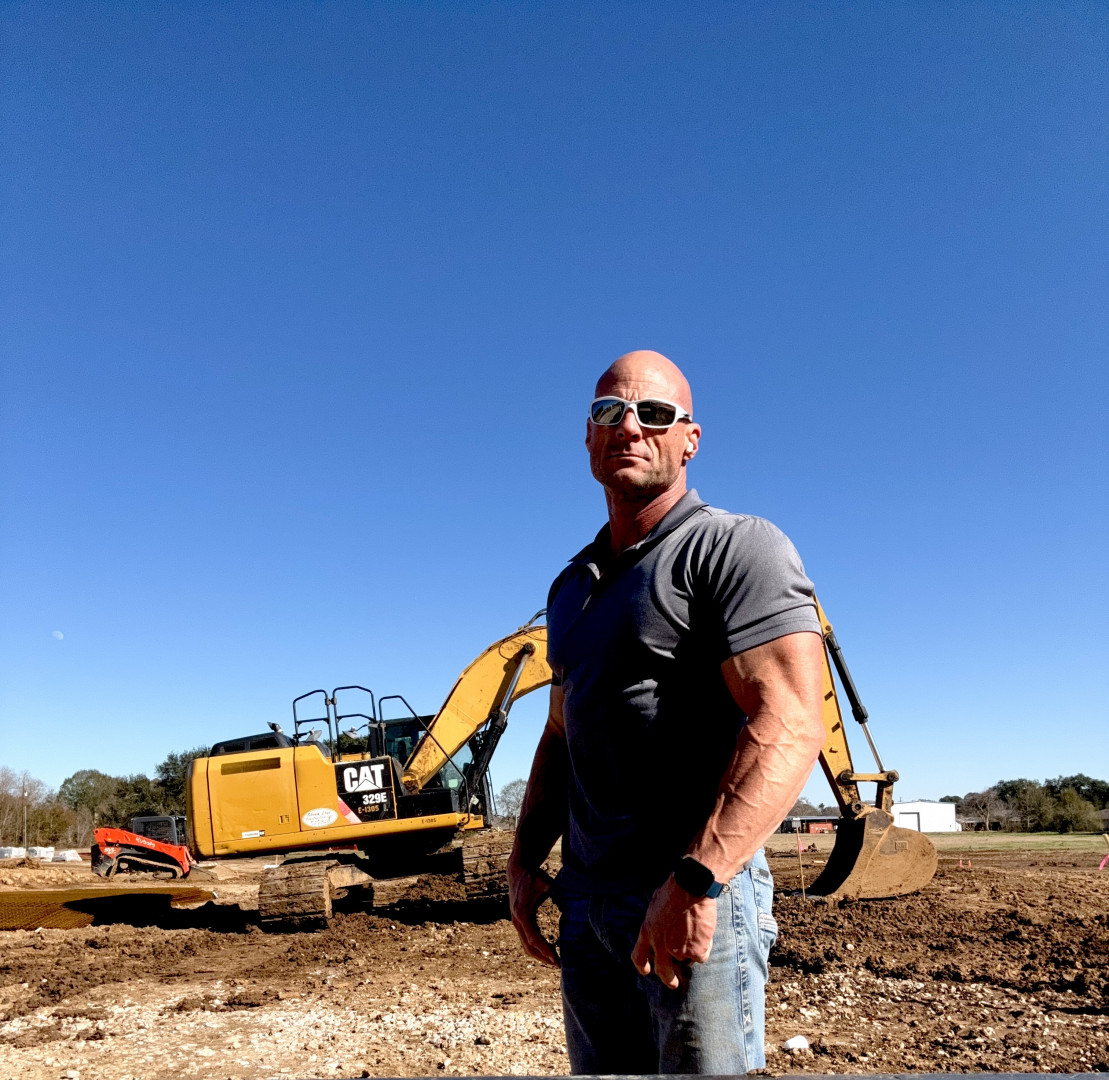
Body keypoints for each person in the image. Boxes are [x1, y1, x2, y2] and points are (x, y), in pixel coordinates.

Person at [507, 350, 827, 1075]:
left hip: (686, 892)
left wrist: (697, 879)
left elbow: (788, 720)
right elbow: (560, 730)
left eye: (654, 414)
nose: (629, 427)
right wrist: (524, 858)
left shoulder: (734, 547)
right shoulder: (570, 587)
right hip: (587, 904)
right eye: (608, 411)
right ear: (587, 435)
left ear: (689, 439)